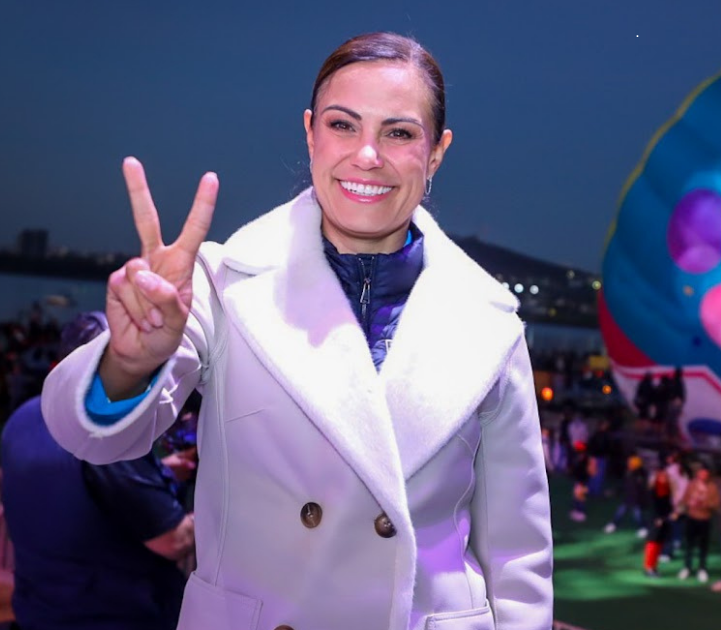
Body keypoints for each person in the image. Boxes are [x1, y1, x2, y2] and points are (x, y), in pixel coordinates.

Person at [40, 32, 552, 629]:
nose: (367, 155)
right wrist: (129, 364)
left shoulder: (487, 320)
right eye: (343, 125)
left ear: (436, 152)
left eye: (399, 132)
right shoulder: (223, 283)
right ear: (310, 131)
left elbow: (519, 554)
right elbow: (96, 441)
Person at [1, 312, 196, 630]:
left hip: (39, 612)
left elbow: (65, 488)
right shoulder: (110, 430)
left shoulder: (21, 418)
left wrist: (158, 471)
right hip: (111, 616)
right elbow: (171, 540)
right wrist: (217, 509)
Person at [678, 464, 721, 583]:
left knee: (703, 546)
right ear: (698, 474)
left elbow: (717, 504)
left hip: (705, 519)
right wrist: (686, 505)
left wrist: (705, 505)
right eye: (701, 473)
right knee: (689, 545)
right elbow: (684, 499)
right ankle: (687, 567)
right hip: (691, 518)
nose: (703, 476)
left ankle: (702, 568)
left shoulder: (713, 487)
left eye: (706, 474)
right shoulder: (691, 484)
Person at [604, 454, 649, 537]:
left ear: (636, 465)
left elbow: (643, 490)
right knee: (620, 511)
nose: (628, 465)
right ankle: (613, 525)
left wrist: (642, 500)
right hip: (628, 498)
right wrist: (614, 491)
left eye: (631, 463)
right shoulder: (628, 473)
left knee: (637, 515)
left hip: (637, 500)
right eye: (629, 463)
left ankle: (643, 528)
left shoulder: (641, 475)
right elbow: (624, 485)